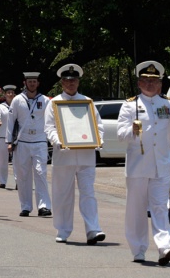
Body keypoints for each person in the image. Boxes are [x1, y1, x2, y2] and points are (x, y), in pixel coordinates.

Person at [117, 60, 170, 265]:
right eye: (145, 80)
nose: (150, 84)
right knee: (136, 209)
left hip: (162, 164)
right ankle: (138, 249)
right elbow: (120, 134)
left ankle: (166, 246)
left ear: (160, 84)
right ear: (139, 83)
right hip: (138, 166)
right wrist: (132, 131)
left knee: (161, 207)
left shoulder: (168, 104)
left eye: (154, 80)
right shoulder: (129, 105)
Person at [44, 63, 106, 244]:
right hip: (64, 156)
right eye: (67, 81)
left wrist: (99, 140)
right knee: (63, 194)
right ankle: (63, 229)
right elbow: (49, 128)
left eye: (74, 81)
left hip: (86, 156)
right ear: (62, 83)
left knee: (88, 193)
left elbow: (98, 126)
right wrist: (58, 141)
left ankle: (93, 229)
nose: (70, 84)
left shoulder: (87, 102)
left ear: (78, 82)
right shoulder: (54, 103)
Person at [7, 73, 52, 217]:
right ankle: (26, 206)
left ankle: (44, 206)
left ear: (38, 83)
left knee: (40, 173)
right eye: (29, 81)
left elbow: (51, 120)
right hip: (23, 141)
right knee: (23, 175)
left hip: (39, 140)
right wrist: (9, 141)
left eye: (34, 81)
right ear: (25, 83)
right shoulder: (17, 100)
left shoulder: (45, 100)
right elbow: (11, 120)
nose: (32, 84)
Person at [0, 84, 15, 188]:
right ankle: (2, 181)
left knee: (16, 160)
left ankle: (18, 181)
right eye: (8, 93)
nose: (10, 94)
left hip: (15, 137)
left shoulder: (18, 105)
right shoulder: (1, 107)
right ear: (5, 95)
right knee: (2, 160)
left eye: (12, 93)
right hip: (2, 136)